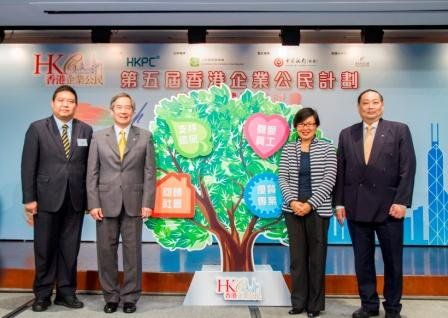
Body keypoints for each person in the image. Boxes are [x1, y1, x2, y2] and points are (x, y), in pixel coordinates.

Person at [334, 89, 416, 318]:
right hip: (356, 206)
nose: (370, 106)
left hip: (389, 208)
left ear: (382, 105)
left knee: (393, 261)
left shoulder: (399, 130)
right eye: (365, 103)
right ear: (359, 107)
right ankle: (368, 305)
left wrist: (402, 201)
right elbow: (341, 171)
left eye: (375, 102)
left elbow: (408, 168)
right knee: (363, 260)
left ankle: (392, 307)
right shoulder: (347, 134)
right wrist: (339, 203)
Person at [21, 85, 93, 312]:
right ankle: (42, 294)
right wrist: (29, 199)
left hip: (75, 199)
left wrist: (90, 202)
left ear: (76, 105)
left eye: (70, 101)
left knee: (70, 249)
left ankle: (66, 292)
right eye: (61, 100)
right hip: (45, 199)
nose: (65, 104)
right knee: (44, 248)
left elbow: (89, 168)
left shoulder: (86, 130)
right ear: (53, 103)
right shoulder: (37, 129)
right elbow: (27, 166)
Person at [87, 92, 156, 314]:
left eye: (128, 107)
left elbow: (149, 173)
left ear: (133, 112)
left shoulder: (145, 136)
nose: (124, 111)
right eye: (119, 107)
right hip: (105, 203)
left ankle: (130, 297)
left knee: (132, 252)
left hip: (134, 202)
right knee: (106, 252)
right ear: (112, 110)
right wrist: (93, 203)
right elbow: (92, 173)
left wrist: (148, 202)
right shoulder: (98, 137)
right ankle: (111, 296)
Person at [279, 108, 337, 317]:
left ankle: (314, 306)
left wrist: (310, 204)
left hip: (318, 211)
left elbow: (330, 180)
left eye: (310, 124)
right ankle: (298, 303)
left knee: (316, 258)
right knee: (297, 259)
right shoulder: (288, 149)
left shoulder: (328, 149)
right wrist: (293, 202)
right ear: (296, 127)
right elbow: (282, 178)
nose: (306, 128)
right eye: (302, 124)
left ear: (316, 126)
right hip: (292, 210)